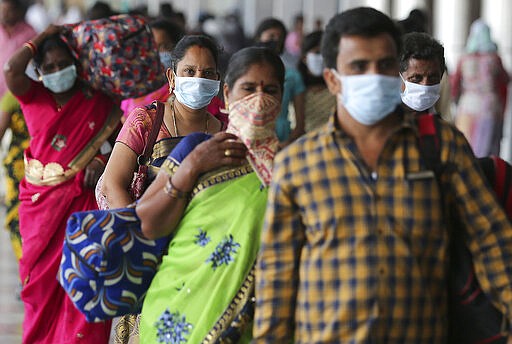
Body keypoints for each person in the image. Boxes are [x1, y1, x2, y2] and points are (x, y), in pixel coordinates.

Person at [253, 7, 512, 343]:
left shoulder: (441, 147)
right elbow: (277, 278)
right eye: (359, 67)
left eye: (385, 65)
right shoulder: (299, 164)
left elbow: (492, 242)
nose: (374, 76)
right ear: (332, 79)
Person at [136, 46, 284, 343]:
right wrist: (190, 168)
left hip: (254, 325)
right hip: (176, 311)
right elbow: (148, 224)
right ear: (227, 94)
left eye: (270, 89)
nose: (259, 99)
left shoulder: (292, 167)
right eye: (248, 88)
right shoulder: (195, 149)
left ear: (281, 99)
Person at [3, 25, 122, 343]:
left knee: (83, 286)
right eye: (49, 67)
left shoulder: (97, 102)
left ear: (76, 63)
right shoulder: (33, 96)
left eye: (63, 64)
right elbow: (12, 68)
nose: (58, 72)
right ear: (39, 72)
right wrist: (44, 35)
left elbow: (118, 142)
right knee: (40, 289)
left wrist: (99, 161)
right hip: (40, 208)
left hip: (83, 206)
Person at [100, 34, 225, 210]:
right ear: (172, 77)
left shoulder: (226, 129)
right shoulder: (145, 121)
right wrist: (137, 231)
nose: (198, 79)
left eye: (207, 73)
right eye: (189, 71)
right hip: (148, 229)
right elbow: (111, 186)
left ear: (217, 80)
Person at [452, 18, 510, 157]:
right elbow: (506, 79)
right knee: (489, 148)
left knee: (467, 145)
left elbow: (455, 82)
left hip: (468, 104)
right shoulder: (494, 58)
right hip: (490, 106)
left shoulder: (464, 58)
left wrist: (456, 101)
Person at [119, 18, 185, 118]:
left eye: (164, 46)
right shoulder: (134, 86)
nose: (156, 53)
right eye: (151, 47)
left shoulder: (183, 91)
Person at [254, 18, 305, 146]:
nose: (275, 40)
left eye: (280, 37)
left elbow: (300, 123)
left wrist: (284, 145)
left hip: (283, 139)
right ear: (259, 37)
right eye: (271, 36)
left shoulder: (292, 76)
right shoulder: (246, 74)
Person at [0, 91, 29, 262]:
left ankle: (28, 271)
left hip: (24, 165)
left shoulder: (13, 96)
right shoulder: (13, 97)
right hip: (27, 168)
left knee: (19, 217)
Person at [297, 30, 335, 132]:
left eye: (324, 53)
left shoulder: (336, 86)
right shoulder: (296, 84)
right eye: (317, 52)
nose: (321, 58)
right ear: (304, 57)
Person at [399, 32, 445, 115]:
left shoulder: (443, 127)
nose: (425, 85)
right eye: (416, 78)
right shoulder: (380, 125)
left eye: (433, 78)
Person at [0, 0, 36, 98]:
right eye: (2, 10)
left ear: (18, 11)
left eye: (8, 11)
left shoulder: (29, 33)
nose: (4, 14)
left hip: (17, 94)